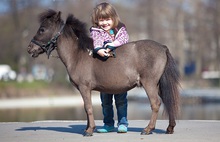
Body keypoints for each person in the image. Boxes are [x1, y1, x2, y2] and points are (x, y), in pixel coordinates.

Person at [90, 2, 129, 133]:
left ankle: (123, 123)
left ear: (113, 18)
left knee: (121, 100)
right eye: (101, 20)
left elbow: (125, 39)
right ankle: (108, 124)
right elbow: (96, 42)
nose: (105, 23)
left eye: (108, 19)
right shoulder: (96, 31)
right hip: (104, 74)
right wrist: (99, 50)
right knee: (106, 102)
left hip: (120, 73)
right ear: (97, 21)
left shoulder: (120, 29)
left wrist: (113, 44)